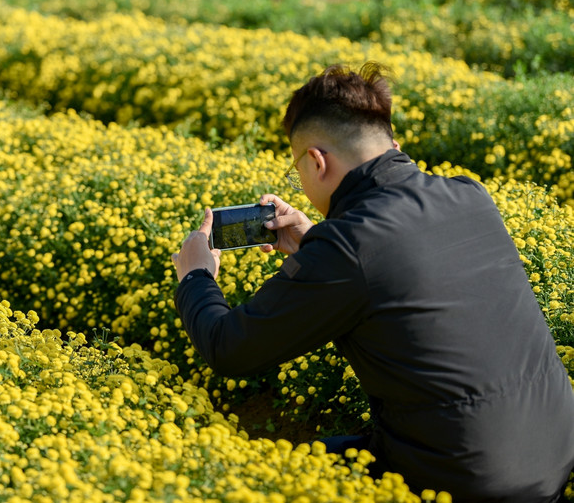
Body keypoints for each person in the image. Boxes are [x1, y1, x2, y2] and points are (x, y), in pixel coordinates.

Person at [171, 62, 574, 502]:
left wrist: (195, 275)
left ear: (316, 160)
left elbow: (229, 348)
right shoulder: (469, 195)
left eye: (297, 171)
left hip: (464, 481)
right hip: (554, 455)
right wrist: (314, 244)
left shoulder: (348, 246)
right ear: (391, 146)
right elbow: (396, 266)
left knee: (271, 476)